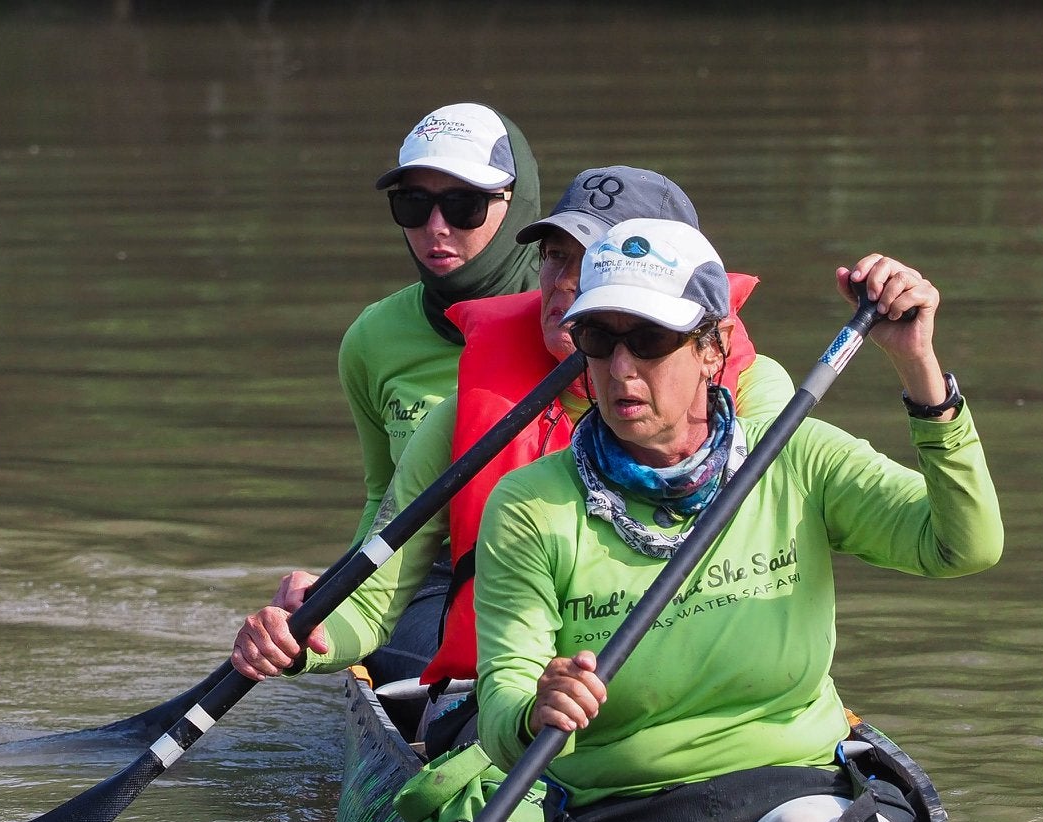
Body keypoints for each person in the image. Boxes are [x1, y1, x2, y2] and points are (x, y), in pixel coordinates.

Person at [471, 218, 1002, 822]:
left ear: (713, 347)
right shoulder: (530, 505)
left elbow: (964, 545)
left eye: (652, 340)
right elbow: (500, 702)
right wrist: (537, 707)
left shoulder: (795, 456)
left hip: (796, 791)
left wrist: (917, 367)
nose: (621, 367)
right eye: (599, 338)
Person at [231, 167, 794, 693]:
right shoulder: (463, 417)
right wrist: (304, 635)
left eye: (597, 262)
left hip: (711, 681)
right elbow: (374, 605)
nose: (566, 284)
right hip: (515, 700)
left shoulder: (754, 394)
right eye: (554, 257)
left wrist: (891, 356)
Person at [322, 103, 540, 683]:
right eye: (413, 205)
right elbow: (380, 498)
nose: (436, 227)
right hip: (435, 578)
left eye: (464, 204)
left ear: (516, 205)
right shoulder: (372, 338)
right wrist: (332, 602)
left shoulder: (583, 326)